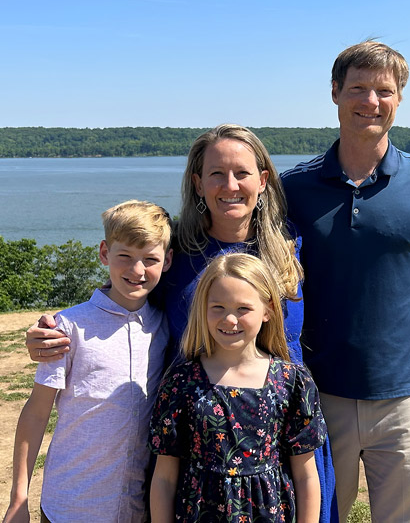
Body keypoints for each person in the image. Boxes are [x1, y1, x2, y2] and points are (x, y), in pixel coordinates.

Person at [24, 124, 337, 522]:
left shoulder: (290, 245)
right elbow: (125, 292)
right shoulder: (178, 253)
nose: (230, 185)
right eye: (216, 174)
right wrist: (54, 331)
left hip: (280, 435)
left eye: (241, 173)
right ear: (197, 183)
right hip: (196, 443)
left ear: (262, 180)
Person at [280, 40, 410, 522]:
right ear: (334, 93)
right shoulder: (293, 189)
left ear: (399, 99)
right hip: (316, 394)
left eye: (384, 91)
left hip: (408, 395)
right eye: (358, 88)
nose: (370, 101)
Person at [4, 200, 173, 523]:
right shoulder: (67, 328)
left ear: (167, 261)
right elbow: (36, 413)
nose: (137, 270)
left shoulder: (164, 327)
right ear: (104, 253)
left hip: (135, 509)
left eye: (150, 259)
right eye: (125, 256)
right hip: (69, 506)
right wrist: (19, 498)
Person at [149, 253, 325, 523]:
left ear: (267, 310)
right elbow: (164, 477)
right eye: (218, 307)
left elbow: (306, 475)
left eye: (243, 308)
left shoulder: (292, 382)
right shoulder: (181, 382)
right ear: (202, 309)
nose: (230, 320)